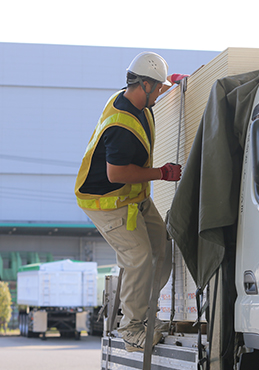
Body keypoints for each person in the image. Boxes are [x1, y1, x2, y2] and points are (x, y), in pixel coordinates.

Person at [74, 52, 186, 352]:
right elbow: (116, 173)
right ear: (145, 85)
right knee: (138, 256)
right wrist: (162, 173)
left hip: (134, 196)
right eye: (159, 87)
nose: (160, 91)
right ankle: (132, 329)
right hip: (107, 201)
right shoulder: (120, 126)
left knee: (161, 248)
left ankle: (145, 314)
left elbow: (158, 90)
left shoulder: (139, 101)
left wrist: (175, 83)